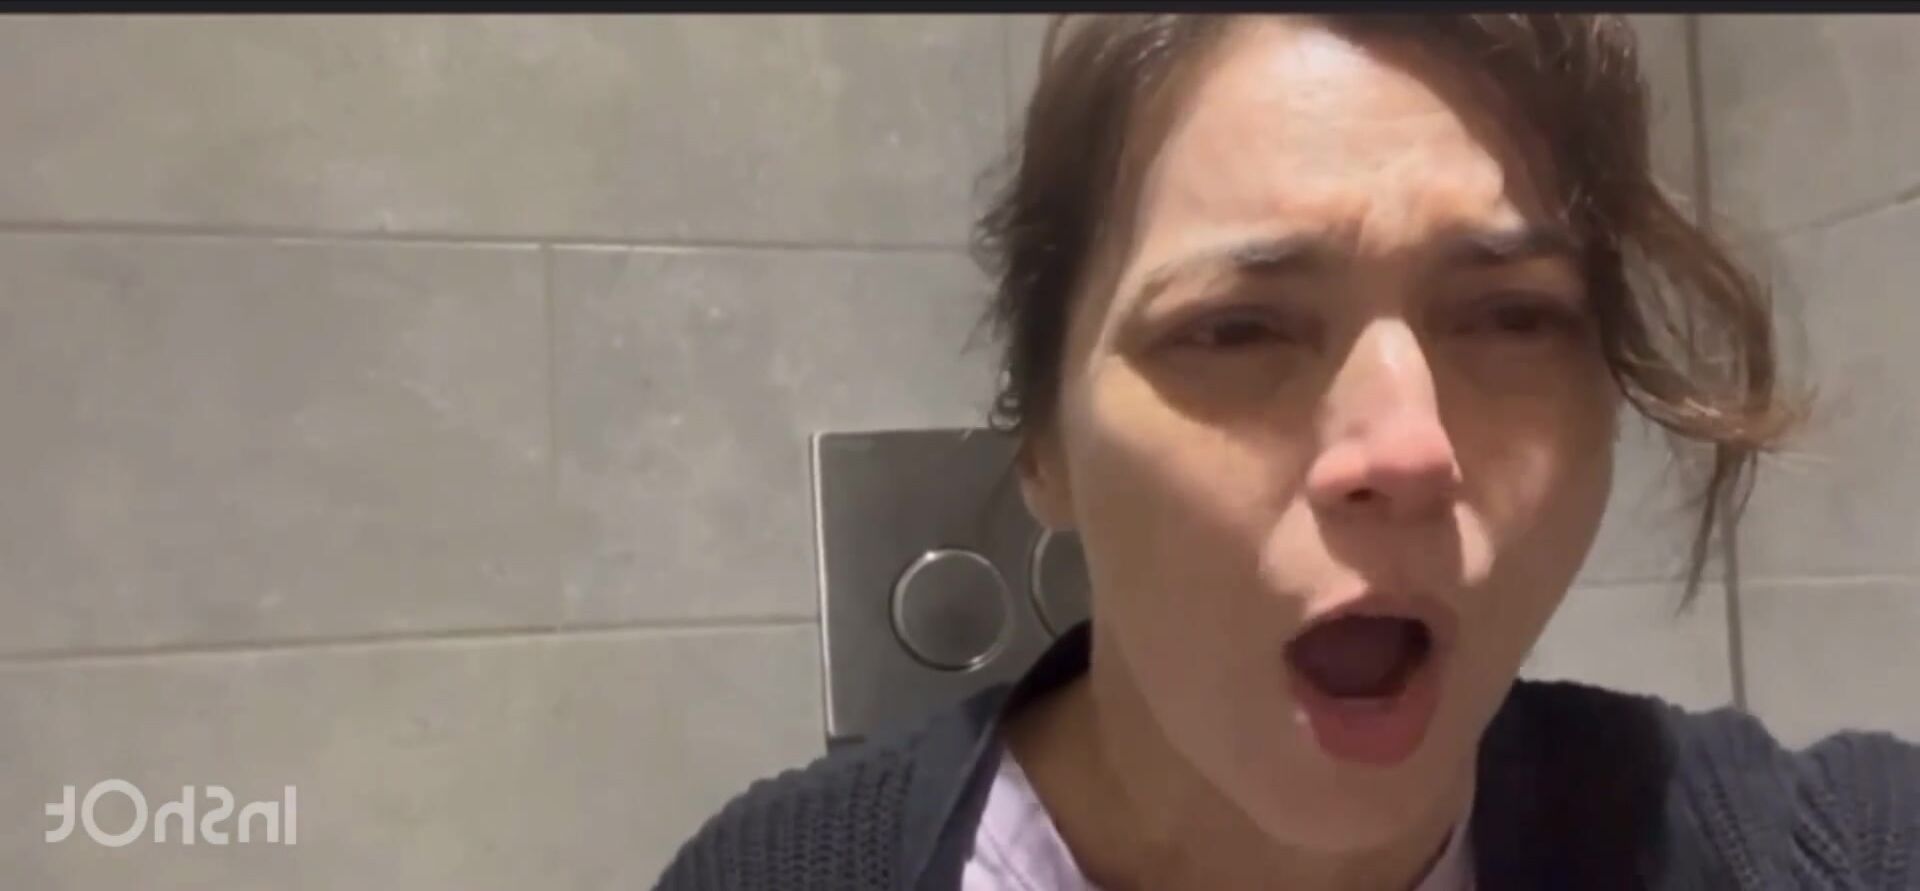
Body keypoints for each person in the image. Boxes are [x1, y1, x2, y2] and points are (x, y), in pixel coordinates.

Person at [653, 13, 1920, 891]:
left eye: (1511, 317)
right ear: (1045, 442)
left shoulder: (1811, 853)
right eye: (1237, 329)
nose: (1408, 449)